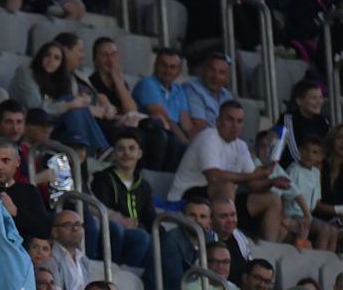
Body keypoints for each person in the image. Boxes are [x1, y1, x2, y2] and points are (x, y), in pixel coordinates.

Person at [168, 102, 288, 246]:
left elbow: (253, 184)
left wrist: (271, 181)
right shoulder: (208, 137)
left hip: (222, 202)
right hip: (187, 197)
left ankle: (268, 251)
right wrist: (255, 175)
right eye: (229, 119)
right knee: (226, 185)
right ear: (218, 121)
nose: (234, 125)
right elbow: (214, 176)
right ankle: (229, 242)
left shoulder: (241, 145)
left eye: (239, 121)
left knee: (273, 199)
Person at [89, 129, 154, 269]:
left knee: (152, 238)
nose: (127, 153)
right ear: (114, 154)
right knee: (127, 232)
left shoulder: (144, 185)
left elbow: (149, 216)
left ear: (139, 153)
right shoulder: (103, 178)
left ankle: (129, 273)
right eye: (121, 149)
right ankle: (113, 269)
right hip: (110, 228)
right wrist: (122, 221)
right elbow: (102, 208)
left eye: (131, 149)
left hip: (134, 230)